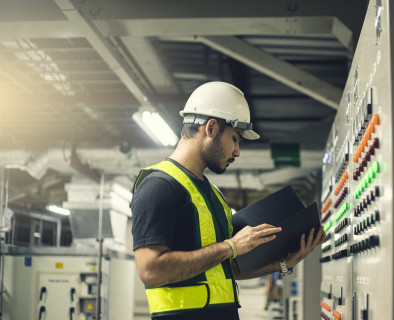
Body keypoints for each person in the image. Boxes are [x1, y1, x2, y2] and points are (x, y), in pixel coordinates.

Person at [131, 81, 325, 320]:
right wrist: (230, 246)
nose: (237, 152)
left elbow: (224, 268)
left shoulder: (213, 195)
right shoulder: (159, 186)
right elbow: (151, 270)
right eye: (235, 139)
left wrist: (282, 264)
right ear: (211, 128)